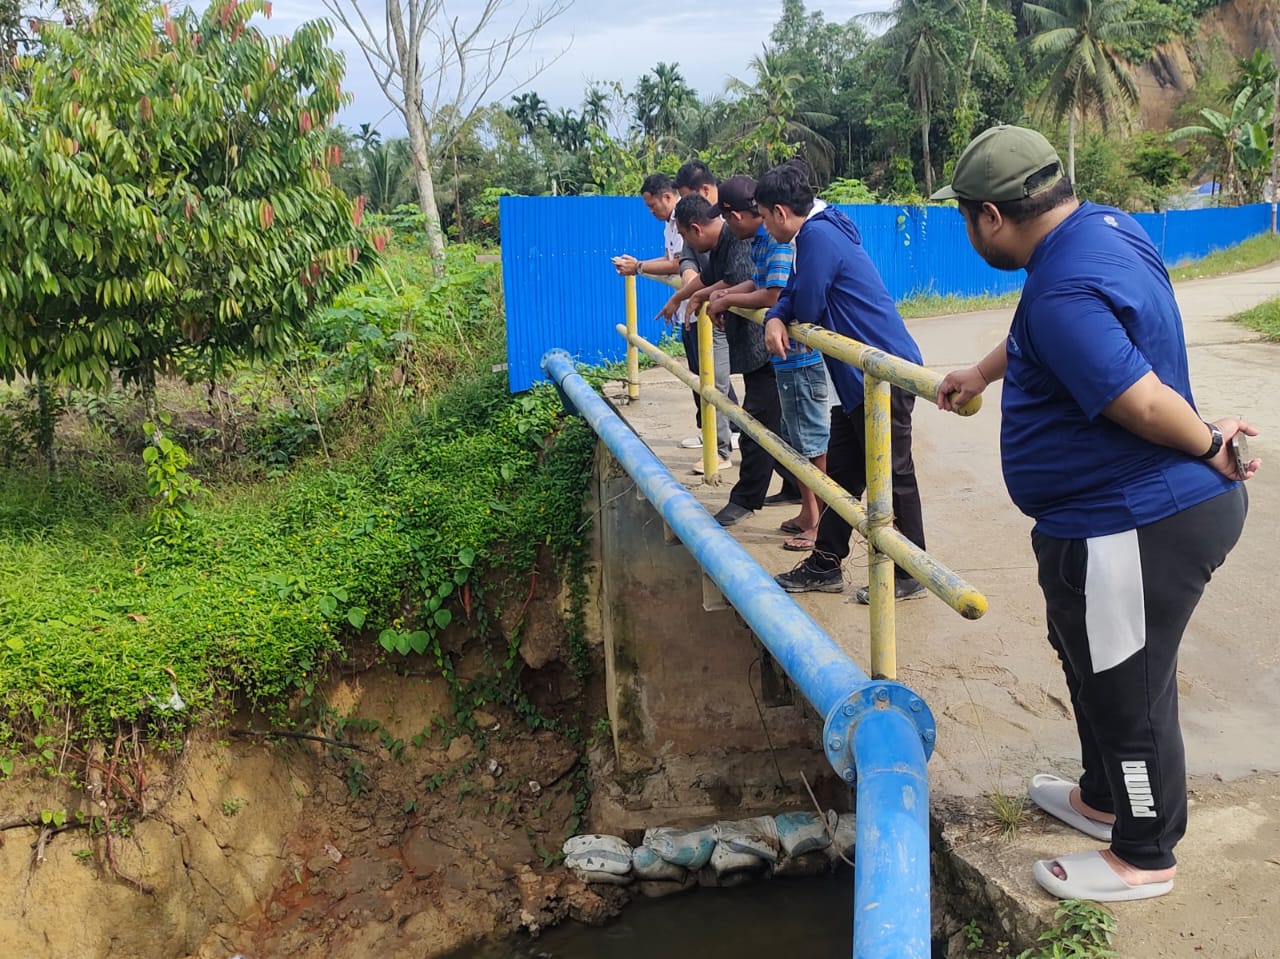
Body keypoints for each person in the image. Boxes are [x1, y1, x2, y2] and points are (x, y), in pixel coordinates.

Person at [933, 124, 1260, 902]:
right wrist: (981, 371)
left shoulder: (1062, 290)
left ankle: (1145, 851)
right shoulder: (1101, 230)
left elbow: (1140, 400)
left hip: (1134, 523)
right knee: (1086, 657)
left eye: (964, 219)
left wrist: (1211, 438)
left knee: (1128, 688)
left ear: (989, 215)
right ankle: (1103, 795)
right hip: (1100, 523)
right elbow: (1042, 330)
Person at [757, 160, 928, 603]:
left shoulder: (818, 236)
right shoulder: (817, 233)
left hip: (884, 375)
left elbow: (808, 303)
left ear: (779, 211)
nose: (764, 227)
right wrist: (777, 315)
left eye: (762, 216)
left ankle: (912, 571)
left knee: (895, 474)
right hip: (862, 381)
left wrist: (783, 314)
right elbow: (794, 292)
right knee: (846, 473)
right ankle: (826, 563)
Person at [707, 175, 827, 551]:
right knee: (795, 440)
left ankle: (819, 523)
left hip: (800, 357)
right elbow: (757, 285)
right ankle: (810, 513)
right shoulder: (765, 241)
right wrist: (724, 294)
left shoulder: (781, 242)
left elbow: (773, 293)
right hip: (786, 360)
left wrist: (728, 299)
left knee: (810, 443)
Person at [661, 193, 783, 525]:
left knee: (756, 425)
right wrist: (688, 296)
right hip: (758, 351)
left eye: (685, 237)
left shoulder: (741, 237)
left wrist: (720, 297)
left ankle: (745, 499)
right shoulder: (727, 241)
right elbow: (717, 278)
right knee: (779, 424)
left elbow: (747, 282)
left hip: (768, 351)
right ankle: (794, 486)